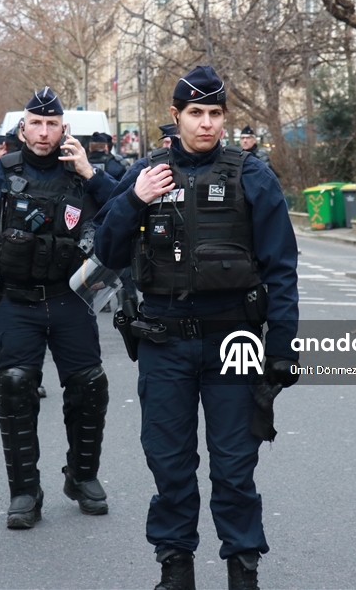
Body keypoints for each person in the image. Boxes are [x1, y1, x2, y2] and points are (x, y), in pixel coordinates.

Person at [93, 66, 300, 590]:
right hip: (164, 341)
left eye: (214, 114)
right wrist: (134, 199)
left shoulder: (252, 175)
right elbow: (107, 252)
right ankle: (174, 568)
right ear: (176, 116)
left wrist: (282, 346)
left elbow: (281, 267)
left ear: (224, 118)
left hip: (234, 342)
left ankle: (243, 571)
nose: (206, 123)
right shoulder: (146, 173)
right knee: (170, 464)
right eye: (195, 113)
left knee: (235, 467)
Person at [0, 86, 118, 529]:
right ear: (22, 128)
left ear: (64, 129)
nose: (43, 133)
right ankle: (25, 491)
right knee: (16, 387)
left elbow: (126, 214)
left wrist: (91, 173)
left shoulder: (82, 174)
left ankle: (82, 477)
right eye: (36, 124)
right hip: (17, 300)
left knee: (90, 386)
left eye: (52, 124)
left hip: (71, 299)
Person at [0, 123, 47, 403]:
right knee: (28, 322)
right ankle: (11, 379)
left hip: (11, 258)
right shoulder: (22, 172)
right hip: (26, 260)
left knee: (3, 323)